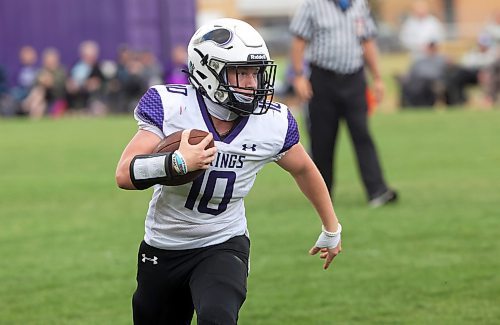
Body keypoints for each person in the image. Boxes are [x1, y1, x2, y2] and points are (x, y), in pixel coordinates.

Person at [115, 18, 343, 324]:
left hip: (223, 242)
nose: (252, 83)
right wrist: (177, 163)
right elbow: (124, 174)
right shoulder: (173, 107)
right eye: (240, 72)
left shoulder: (271, 123)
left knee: (217, 316)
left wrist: (332, 228)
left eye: (255, 73)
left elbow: (303, 169)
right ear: (207, 71)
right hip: (165, 245)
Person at [289, 0, 397, 207]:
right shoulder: (313, 5)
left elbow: (367, 42)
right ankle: (321, 194)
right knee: (322, 140)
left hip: (354, 79)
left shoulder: (359, 5)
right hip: (323, 79)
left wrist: (377, 78)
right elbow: (299, 42)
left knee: (362, 134)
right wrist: (299, 76)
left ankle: (377, 191)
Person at [398, 41, 448, 107]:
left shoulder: (441, 59)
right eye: (430, 48)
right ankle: (410, 105)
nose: (431, 50)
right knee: (408, 85)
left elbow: (443, 73)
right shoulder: (419, 60)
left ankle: (424, 105)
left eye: (433, 48)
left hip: (432, 81)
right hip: (417, 81)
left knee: (424, 84)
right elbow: (411, 72)